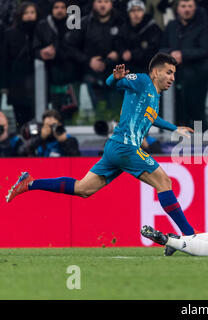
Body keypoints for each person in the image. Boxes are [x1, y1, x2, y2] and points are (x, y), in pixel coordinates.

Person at [5, 53, 196, 237]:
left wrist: (174, 128)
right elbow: (111, 83)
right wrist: (114, 78)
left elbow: (152, 117)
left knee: (83, 189)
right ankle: (189, 235)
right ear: (155, 72)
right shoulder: (143, 80)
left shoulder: (154, 96)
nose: (172, 77)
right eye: (168, 72)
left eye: (174, 73)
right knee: (164, 182)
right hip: (126, 147)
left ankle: (29, 183)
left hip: (115, 148)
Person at [64, 0, 124, 118]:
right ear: (93, 4)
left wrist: (119, 53)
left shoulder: (121, 23)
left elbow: (130, 44)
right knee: (97, 113)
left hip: (116, 74)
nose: (102, 5)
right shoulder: (85, 23)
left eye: (106, 1)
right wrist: (88, 61)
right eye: (99, 1)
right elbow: (69, 46)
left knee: (117, 113)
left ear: (111, 4)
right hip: (89, 74)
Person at [160, 0, 208, 127]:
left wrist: (182, 55)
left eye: (190, 6)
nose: (187, 9)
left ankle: (201, 143)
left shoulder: (204, 26)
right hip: (174, 78)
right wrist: (172, 53)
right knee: (176, 112)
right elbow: (161, 47)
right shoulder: (171, 26)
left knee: (196, 112)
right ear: (178, 9)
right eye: (183, 6)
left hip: (197, 77)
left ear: (195, 8)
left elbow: (206, 49)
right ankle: (175, 144)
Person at [33, 0, 78, 122]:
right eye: (56, 7)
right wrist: (42, 52)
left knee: (72, 112)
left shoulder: (73, 24)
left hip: (72, 76)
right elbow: (34, 48)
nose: (59, 10)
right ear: (51, 10)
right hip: (50, 76)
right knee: (54, 111)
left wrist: (56, 52)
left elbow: (77, 48)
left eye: (62, 7)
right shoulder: (43, 25)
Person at [1, 2, 39, 130]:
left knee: (35, 114)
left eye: (32, 13)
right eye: (26, 13)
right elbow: (5, 60)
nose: (29, 16)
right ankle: (23, 141)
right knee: (20, 115)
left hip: (37, 80)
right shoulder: (10, 33)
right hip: (17, 82)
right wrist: (4, 85)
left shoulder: (40, 31)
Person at [118, 0, 162, 74]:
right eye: (132, 10)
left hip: (147, 68)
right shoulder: (124, 27)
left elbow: (153, 49)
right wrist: (122, 52)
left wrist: (132, 54)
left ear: (143, 12)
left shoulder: (152, 28)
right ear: (128, 13)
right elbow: (118, 42)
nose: (136, 14)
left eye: (139, 10)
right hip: (128, 68)